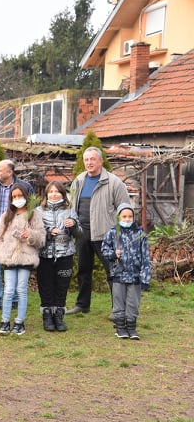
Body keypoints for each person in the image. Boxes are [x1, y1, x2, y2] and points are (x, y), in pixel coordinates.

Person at [68, 146, 131, 315]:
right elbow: (71, 207)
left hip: (105, 235)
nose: (89, 163)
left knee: (112, 272)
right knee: (83, 270)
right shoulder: (78, 181)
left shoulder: (114, 182)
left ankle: (118, 308)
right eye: (86, 159)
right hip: (82, 233)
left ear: (101, 161)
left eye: (93, 159)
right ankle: (82, 305)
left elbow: (125, 210)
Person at [0, 159, 33, 313]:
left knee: (14, 266)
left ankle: (15, 300)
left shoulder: (25, 187)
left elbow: (31, 209)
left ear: (10, 172)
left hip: (16, 236)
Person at [0, 183, 45, 336]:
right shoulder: (6, 216)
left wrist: (30, 236)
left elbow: (41, 238)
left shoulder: (34, 215)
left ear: (26, 197)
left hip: (26, 258)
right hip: (9, 258)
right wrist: (1, 251)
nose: (17, 199)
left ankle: (19, 322)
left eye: (20, 196)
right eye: (14, 196)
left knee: (21, 290)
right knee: (8, 290)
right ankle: (4, 321)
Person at [101, 204, 151, 340]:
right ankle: (120, 327)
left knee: (133, 303)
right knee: (119, 302)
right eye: (124, 216)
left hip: (135, 277)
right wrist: (113, 254)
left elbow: (146, 258)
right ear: (118, 217)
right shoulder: (112, 233)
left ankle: (131, 327)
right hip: (118, 275)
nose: (127, 219)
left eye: (130, 217)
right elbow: (104, 251)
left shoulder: (140, 234)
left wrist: (145, 278)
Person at [36, 181, 81, 332]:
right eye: (51, 192)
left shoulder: (69, 210)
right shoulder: (38, 211)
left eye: (57, 192)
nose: (54, 194)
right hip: (45, 255)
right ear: (46, 194)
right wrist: (48, 233)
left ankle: (59, 316)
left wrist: (73, 225)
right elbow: (35, 234)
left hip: (65, 255)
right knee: (46, 286)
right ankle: (47, 316)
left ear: (63, 194)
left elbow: (79, 233)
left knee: (62, 286)